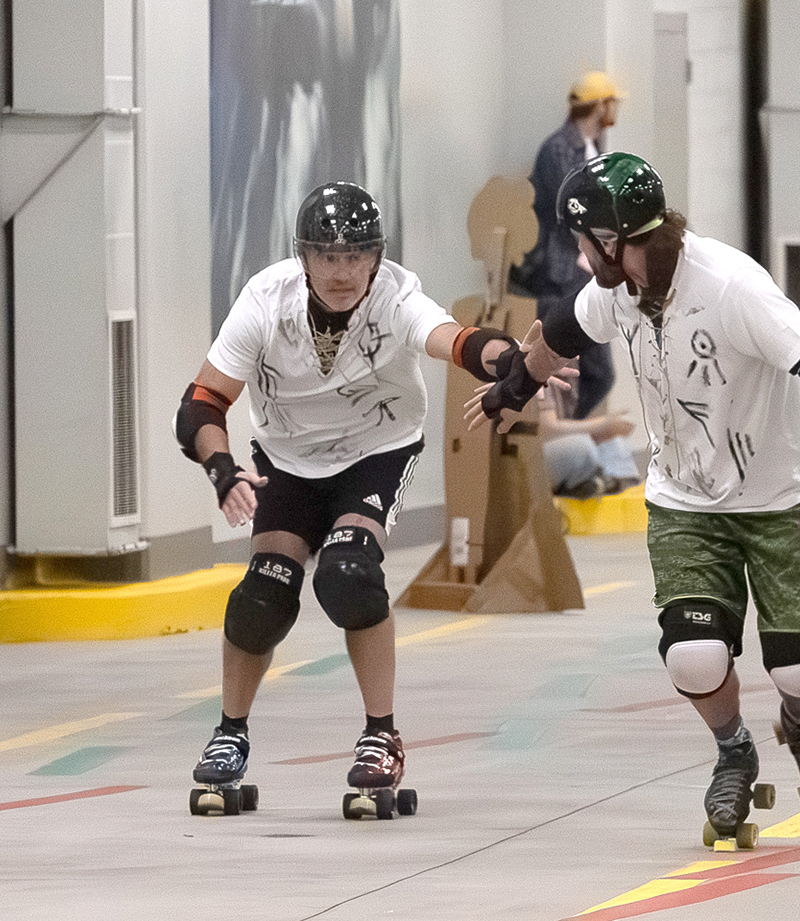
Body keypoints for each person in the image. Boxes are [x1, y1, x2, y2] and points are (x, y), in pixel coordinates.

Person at [468, 153, 800, 849]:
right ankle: (734, 749)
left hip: (778, 497)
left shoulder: (733, 287)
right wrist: (513, 390)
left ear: (616, 240)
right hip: (685, 501)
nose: (583, 260)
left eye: (587, 244)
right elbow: (562, 328)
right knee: (693, 657)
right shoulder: (621, 289)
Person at [176, 181, 539, 818]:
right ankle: (230, 731)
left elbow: (453, 339)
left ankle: (381, 734)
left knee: (348, 577)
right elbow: (201, 404)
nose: (342, 273)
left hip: (376, 450)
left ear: (375, 257)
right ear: (303, 257)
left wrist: (512, 360)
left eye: (355, 257)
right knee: (262, 594)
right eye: (326, 256)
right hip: (286, 461)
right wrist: (222, 468)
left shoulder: (395, 296)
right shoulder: (265, 299)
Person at [517, 71, 623, 421]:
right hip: (563, 273)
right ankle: (563, 440)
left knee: (594, 373)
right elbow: (573, 207)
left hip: (584, 271)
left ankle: (567, 435)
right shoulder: (558, 149)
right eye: (613, 103)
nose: (616, 110)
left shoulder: (593, 147)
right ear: (600, 105)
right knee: (590, 370)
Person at [540, 388, 638, 498]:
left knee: (617, 443)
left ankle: (604, 486)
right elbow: (544, 429)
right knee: (582, 447)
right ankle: (591, 482)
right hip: (530, 454)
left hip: (559, 443)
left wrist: (602, 431)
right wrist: (600, 425)